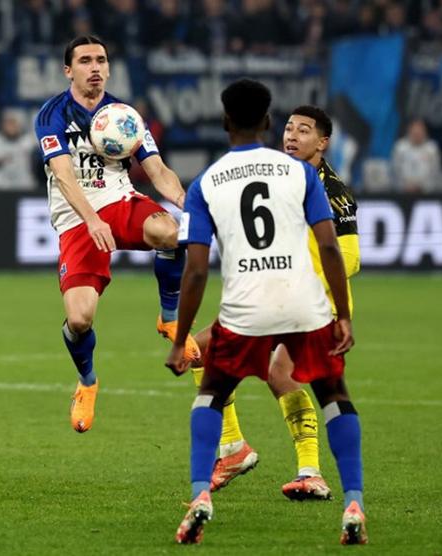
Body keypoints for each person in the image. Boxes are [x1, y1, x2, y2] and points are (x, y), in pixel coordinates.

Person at [166, 79, 366, 545]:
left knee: (210, 386)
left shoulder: (208, 182)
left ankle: (203, 491)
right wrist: (342, 314)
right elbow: (333, 250)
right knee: (333, 394)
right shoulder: (298, 175)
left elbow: (195, 272)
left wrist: (179, 338)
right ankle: (352, 497)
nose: (294, 136)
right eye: (289, 127)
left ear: (224, 122)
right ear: (270, 123)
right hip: (306, 304)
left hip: (247, 305)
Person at [33, 35, 200, 434]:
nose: (95, 67)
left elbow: (157, 169)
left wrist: (185, 201)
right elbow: (62, 174)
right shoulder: (51, 115)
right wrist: (91, 219)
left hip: (119, 199)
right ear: (68, 70)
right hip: (77, 217)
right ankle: (88, 382)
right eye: (85, 60)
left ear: (109, 68)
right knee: (79, 319)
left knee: (171, 233)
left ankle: (170, 318)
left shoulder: (125, 116)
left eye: (101, 60)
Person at [0, 109, 38, 190]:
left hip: (23, 179)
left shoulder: (27, 140)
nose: (11, 127)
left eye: (13, 123)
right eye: (8, 123)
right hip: (2, 179)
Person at [391, 118, 441, 193]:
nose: (417, 135)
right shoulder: (400, 147)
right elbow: (395, 170)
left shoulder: (432, 149)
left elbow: (435, 172)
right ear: (409, 131)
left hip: (425, 192)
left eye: (420, 132)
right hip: (403, 191)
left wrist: (422, 187)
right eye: (415, 133)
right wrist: (404, 186)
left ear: (425, 132)